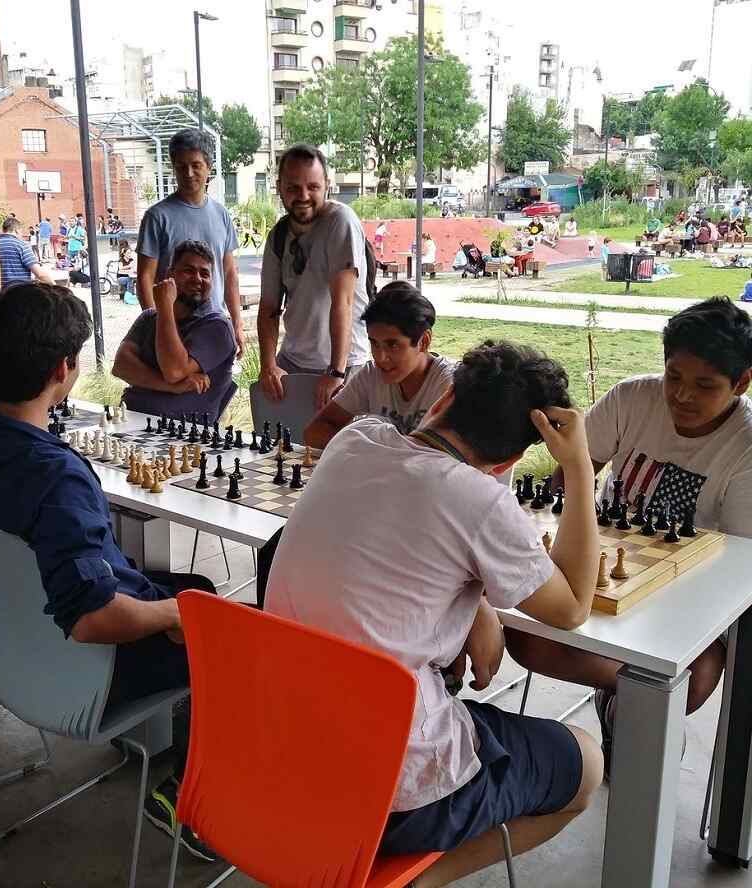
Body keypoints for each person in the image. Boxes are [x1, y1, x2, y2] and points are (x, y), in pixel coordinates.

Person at [264, 341, 603, 884]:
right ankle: (420, 881)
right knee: (586, 762)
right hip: (389, 789)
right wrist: (580, 468)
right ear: (508, 463)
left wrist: (478, 604)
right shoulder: (481, 500)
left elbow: (403, 539)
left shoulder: (354, 438)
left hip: (278, 749)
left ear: (443, 397)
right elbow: (572, 607)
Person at [0, 280, 220, 860]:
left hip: (17, 662)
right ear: (63, 369)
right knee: (225, 626)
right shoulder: (59, 477)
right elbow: (93, 618)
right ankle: (190, 797)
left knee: (196, 586)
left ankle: (165, 737)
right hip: (95, 671)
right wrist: (177, 615)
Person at [505, 298, 752, 777]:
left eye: (705, 385)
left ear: (741, 383)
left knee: (692, 681)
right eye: (673, 377)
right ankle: (628, 703)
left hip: (688, 593)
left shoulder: (745, 445)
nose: (682, 396)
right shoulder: (631, 397)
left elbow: (738, 562)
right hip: (605, 574)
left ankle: (630, 709)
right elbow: (570, 474)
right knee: (529, 639)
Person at [258, 143, 370, 411]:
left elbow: (342, 302)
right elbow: (269, 307)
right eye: (293, 188)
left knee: (336, 437)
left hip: (343, 362)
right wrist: (268, 365)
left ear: (327, 185)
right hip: (293, 360)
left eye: (313, 187)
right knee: (282, 434)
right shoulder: (278, 235)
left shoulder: (340, 221)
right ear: (279, 187)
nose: (303, 195)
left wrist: (336, 371)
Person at [304, 281, 453, 448]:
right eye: (374, 343)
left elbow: (450, 456)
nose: (380, 358)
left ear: (424, 341)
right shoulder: (371, 374)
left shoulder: (449, 385)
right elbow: (314, 431)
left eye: (392, 345)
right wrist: (370, 450)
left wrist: (376, 451)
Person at [136, 128, 244, 357]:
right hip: (174, 328)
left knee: (213, 380)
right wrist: (157, 326)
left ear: (209, 168)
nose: (188, 173)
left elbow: (229, 273)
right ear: (173, 168)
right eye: (181, 166)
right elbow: (145, 278)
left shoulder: (222, 215)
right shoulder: (157, 217)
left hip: (213, 328)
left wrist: (236, 322)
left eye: (196, 165)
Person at [113, 239, 236, 422]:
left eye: (205, 273)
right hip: (131, 421)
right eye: (189, 271)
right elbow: (121, 366)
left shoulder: (218, 327)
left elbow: (174, 370)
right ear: (171, 274)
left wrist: (165, 307)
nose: (197, 279)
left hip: (183, 433)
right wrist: (172, 387)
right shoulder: (148, 318)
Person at [0, 217, 55, 286]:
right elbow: (40, 274)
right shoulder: (21, 245)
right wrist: (55, 286)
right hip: (20, 289)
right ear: (17, 230)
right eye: (21, 232)